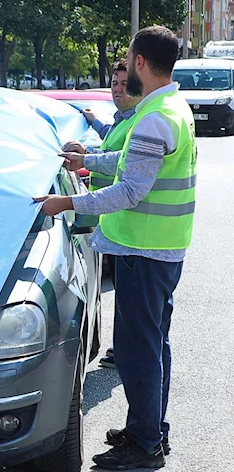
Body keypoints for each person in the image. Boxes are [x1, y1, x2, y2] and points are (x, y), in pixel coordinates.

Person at [35, 26, 196, 470]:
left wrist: (66, 202)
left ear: (140, 62)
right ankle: (148, 429)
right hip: (160, 249)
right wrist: (86, 161)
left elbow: (129, 190)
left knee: (137, 349)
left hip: (144, 251)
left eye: (129, 59)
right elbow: (128, 162)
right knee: (150, 344)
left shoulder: (153, 118)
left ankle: (145, 443)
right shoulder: (170, 108)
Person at [63, 59, 142, 369]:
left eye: (124, 85)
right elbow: (111, 134)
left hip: (125, 219)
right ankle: (123, 349)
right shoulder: (122, 120)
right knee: (124, 295)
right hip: (111, 221)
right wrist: (94, 122)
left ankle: (126, 352)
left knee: (130, 298)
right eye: (114, 84)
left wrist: (86, 156)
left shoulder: (139, 122)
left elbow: (117, 158)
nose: (118, 90)